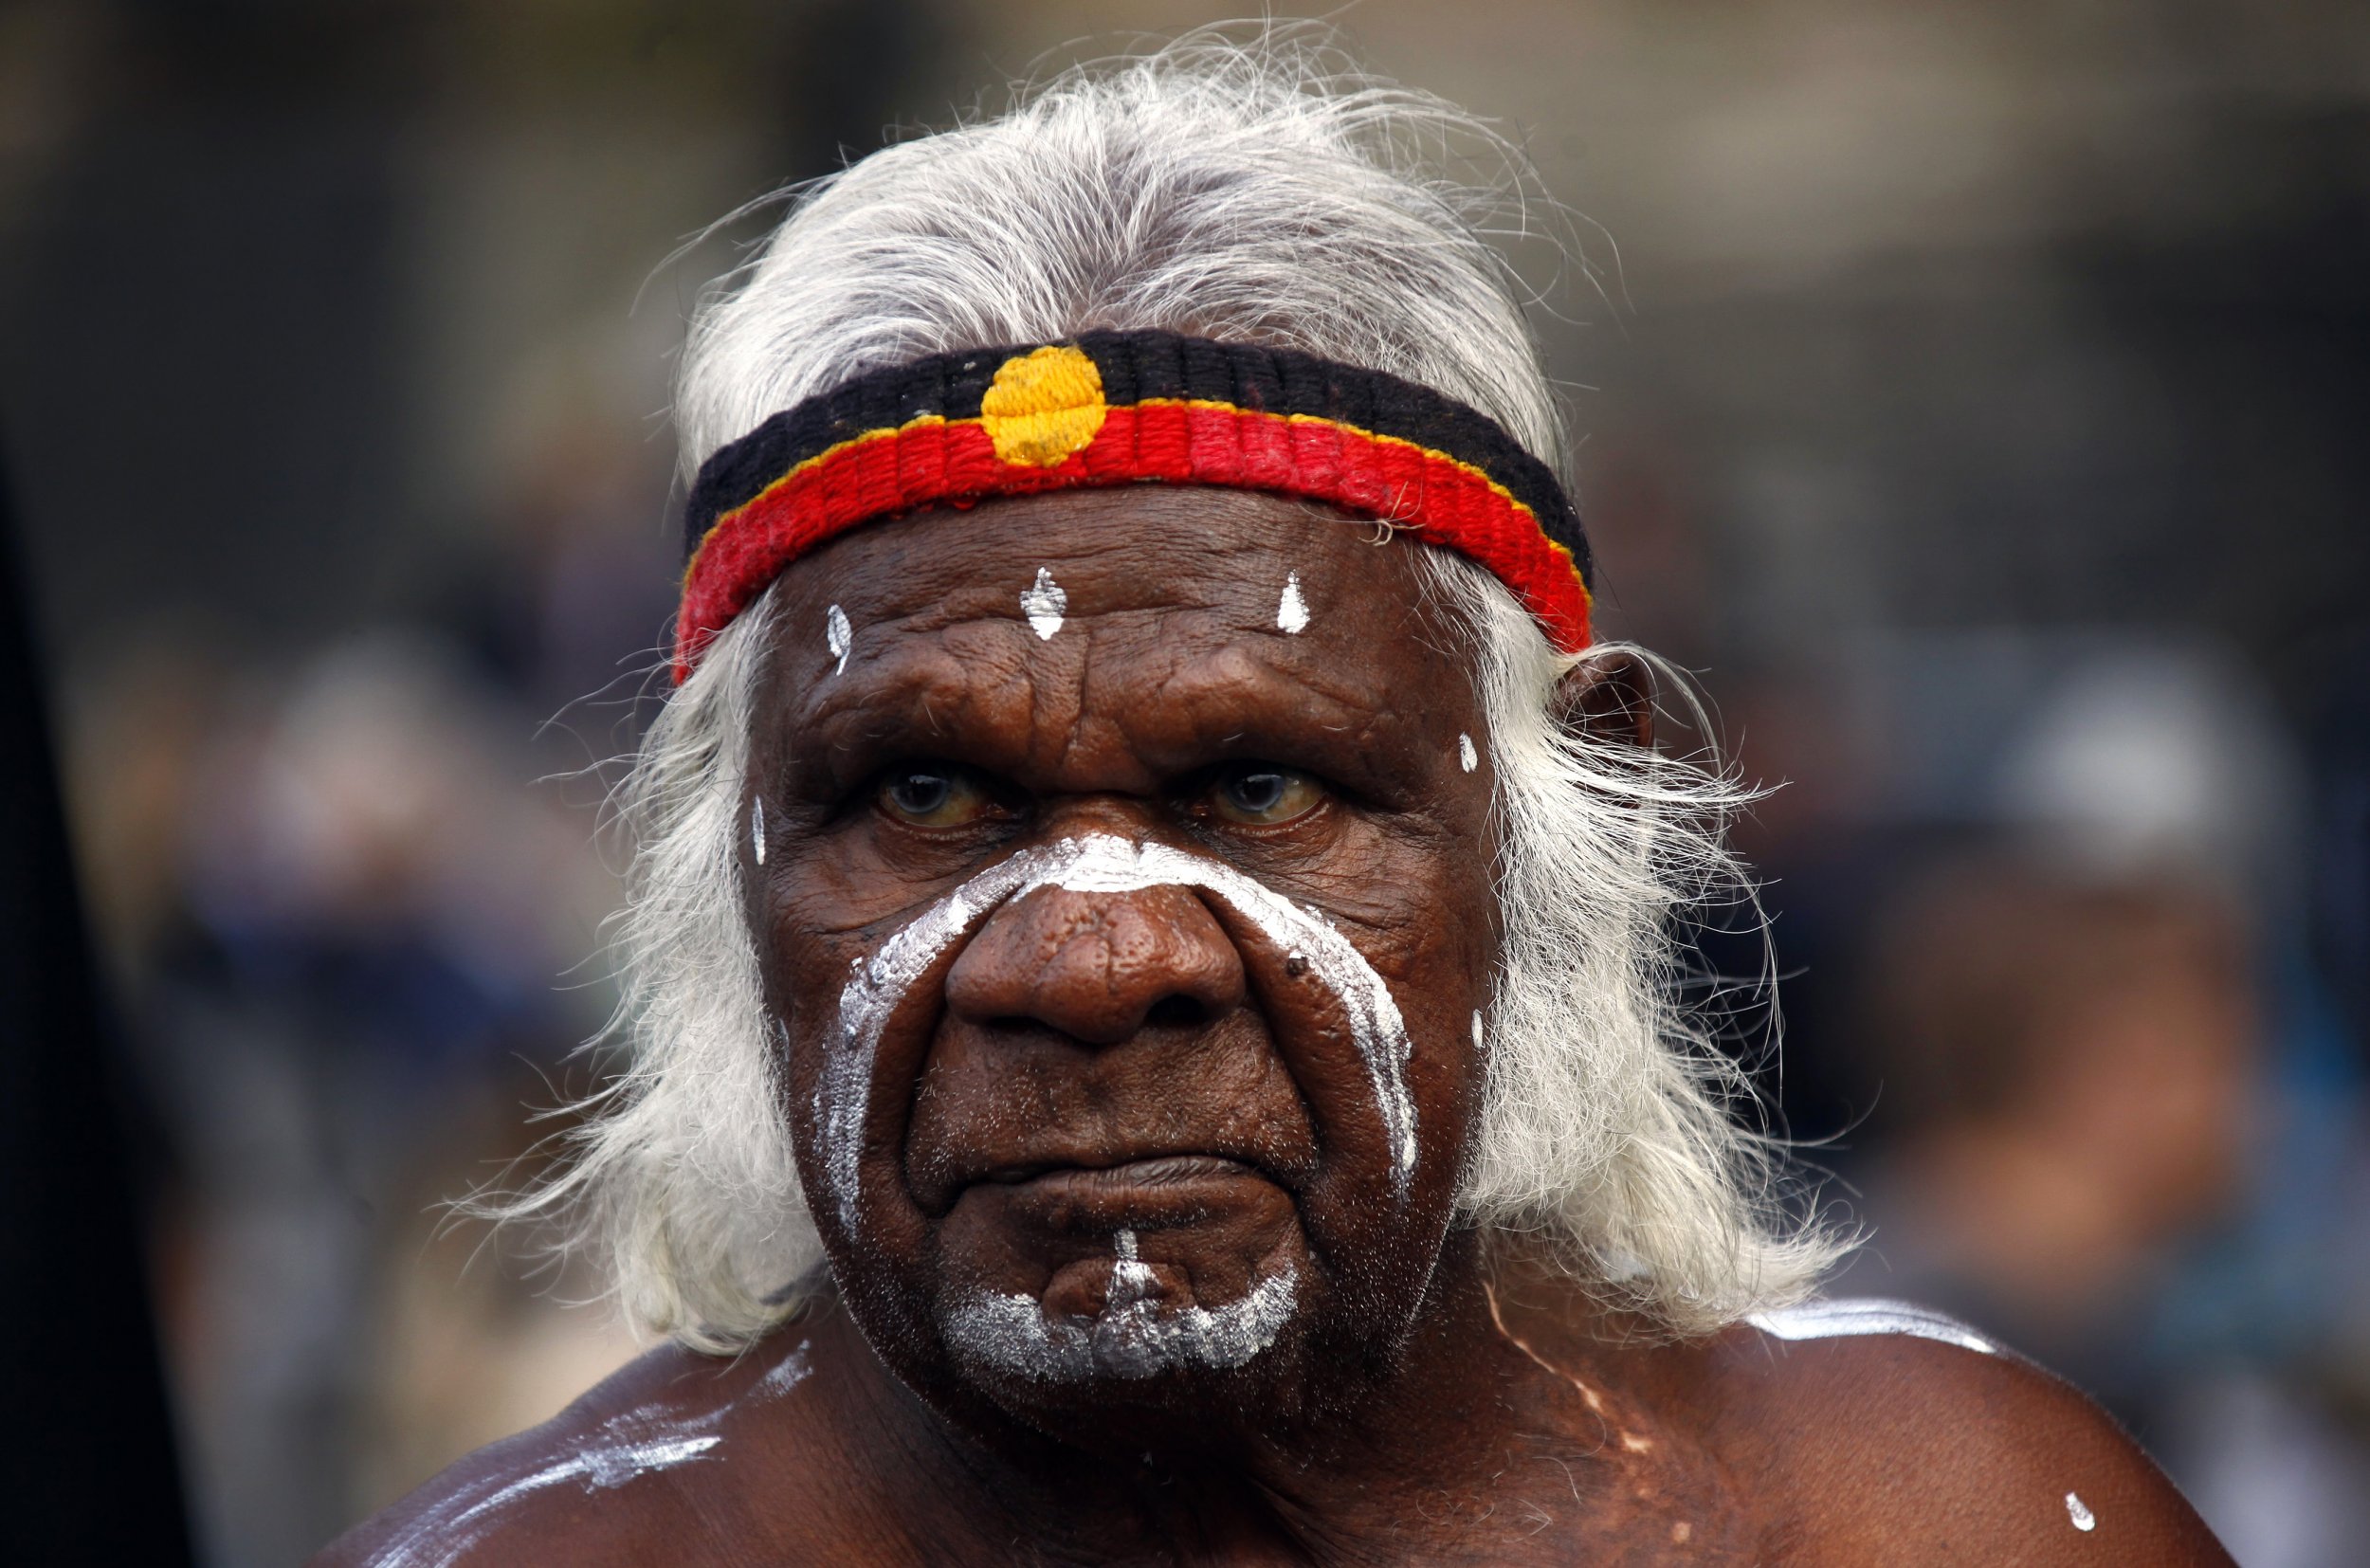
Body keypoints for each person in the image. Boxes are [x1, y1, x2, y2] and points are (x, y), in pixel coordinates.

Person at [318, 34, 2232, 1565]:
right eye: (919, 788)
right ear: (716, 875)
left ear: (1580, 835)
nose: (1086, 956)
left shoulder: (1944, 1523)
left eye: (1254, 782)